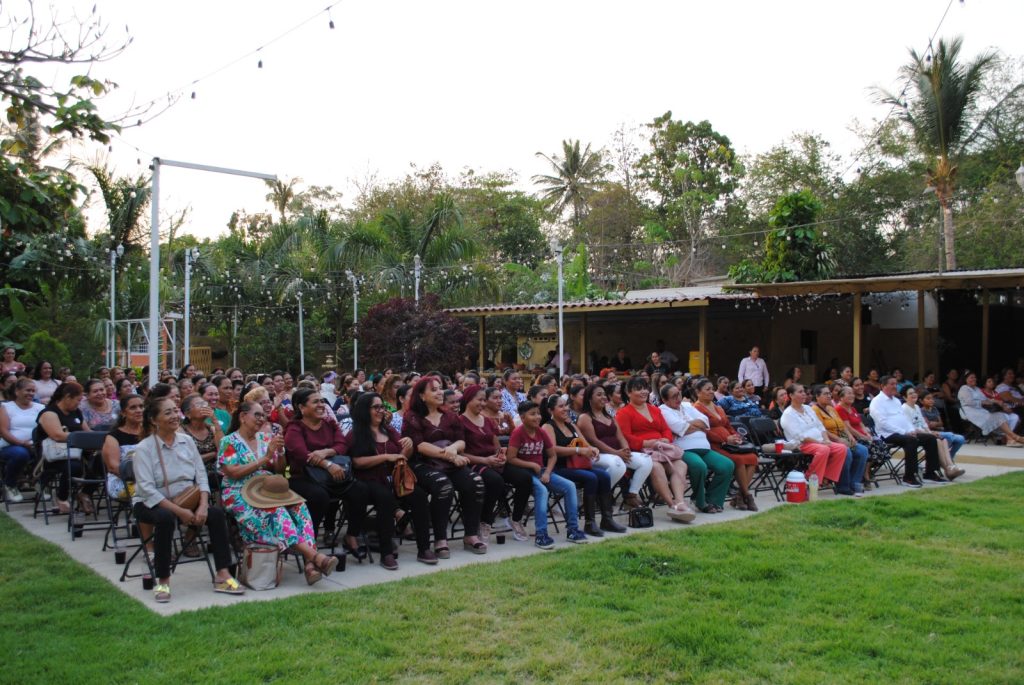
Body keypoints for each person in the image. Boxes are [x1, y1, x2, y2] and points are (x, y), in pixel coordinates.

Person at [132, 396, 244, 603]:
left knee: (216, 514)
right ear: (154, 420)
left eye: (176, 411)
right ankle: (163, 579)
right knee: (165, 518)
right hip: (151, 503)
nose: (175, 416)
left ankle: (222, 574)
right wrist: (180, 512)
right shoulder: (144, 448)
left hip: (187, 499)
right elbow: (147, 489)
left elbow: (201, 475)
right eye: (168, 412)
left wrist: (203, 505)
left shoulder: (186, 441)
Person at [219, 401, 335, 585]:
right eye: (257, 415)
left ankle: (310, 565)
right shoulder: (229, 442)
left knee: (300, 507)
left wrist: (280, 453)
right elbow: (232, 472)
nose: (261, 419)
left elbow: (280, 470)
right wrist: (265, 458)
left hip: (267, 489)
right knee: (277, 512)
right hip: (238, 492)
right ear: (242, 417)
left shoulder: (266, 439)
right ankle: (314, 557)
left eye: (263, 415)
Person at [346, 393, 435, 568]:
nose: (381, 410)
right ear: (364, 410)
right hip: (368, 480)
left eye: (382, 407)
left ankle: (424, 548)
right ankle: (386, 552)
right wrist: (385, 457)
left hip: (394, 478)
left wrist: (408, 446)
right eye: (376, 407)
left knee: (419, 495)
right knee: (385, 498)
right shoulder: (356, 434)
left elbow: (402, 456)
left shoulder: (389, 430)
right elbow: (357, 462)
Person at [402, 375, 487, 557]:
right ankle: (440, 538)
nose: (440, 392)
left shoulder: (450, 416)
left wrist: (453, 451)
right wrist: (451, 456)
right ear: (422, 396)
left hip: (449, 462)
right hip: (422, 464)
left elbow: (461, 442)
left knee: (475, 482)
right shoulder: (412, 417)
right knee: (443, 486)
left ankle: (471, 535)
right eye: (434, 390)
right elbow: (419, 446)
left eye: (440, 388)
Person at [283, 387, 371, 556]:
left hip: (331, 475)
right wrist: (328, 465)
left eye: (322, 401)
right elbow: (301, 454)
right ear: (301, 407)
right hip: (302, 477)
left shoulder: (330, 423)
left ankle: (351, 536)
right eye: (315, 402)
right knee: (319, 497)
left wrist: (325, 452)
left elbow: (342, 445)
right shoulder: (294, 428)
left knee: (360, 490)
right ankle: (310, 542)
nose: (321, 405)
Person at [541, 394, 628, 536]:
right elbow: (553, 450)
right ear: (551, 410)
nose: (566, 409)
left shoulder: (571, 425)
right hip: (559, 467)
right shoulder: (548, 426)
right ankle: (589, 522)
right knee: (591, 478)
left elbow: (585, 444)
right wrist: (578, 450)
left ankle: (607, 519)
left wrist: (593, 449)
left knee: (604, 476)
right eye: (561, 406)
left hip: (577, 465)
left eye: (566, 405)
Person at [506, 401, 588, 548]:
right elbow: (511, 458)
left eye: (538, 413)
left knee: (569, 486)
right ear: (522, 417)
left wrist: (548, 472)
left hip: (542, 471)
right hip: (525, 473)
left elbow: (552, 456)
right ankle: (541, 534)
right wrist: (531, 465)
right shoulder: (518, 433)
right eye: (532, 414)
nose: (537, 417)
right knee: (542, 490)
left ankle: (573, 530)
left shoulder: (541, 432)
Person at [615, 376, 696, 521]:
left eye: (645, 388)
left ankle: (680, 502)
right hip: (642, 452)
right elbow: (625, 437)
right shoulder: (624, 413)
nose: (643, 391)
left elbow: (666, 429)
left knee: (681, 465)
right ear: (628, 393)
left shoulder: (654, 409)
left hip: (663, 449)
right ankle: (672, 505)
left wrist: (666, 439)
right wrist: (646, 443)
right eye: (638, 389)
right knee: (656, 467)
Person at [459, 385, 533, 542]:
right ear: (468, 400)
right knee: (495, 481)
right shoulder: (461, 422)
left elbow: (496, 444)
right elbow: (461, 453)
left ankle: (516, 519)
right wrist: (485, 460)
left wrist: (501, 456)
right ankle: (485, 522)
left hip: (493, 460)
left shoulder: (486, 420)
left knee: (525, 478)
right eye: (479, 400)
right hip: (474, 462)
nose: (482, 403)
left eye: (484, 400)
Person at [659, 384, 734, 514]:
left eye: (679, 394)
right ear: (665, 400)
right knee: (699, 466)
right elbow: (679, 427)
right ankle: (700, 501)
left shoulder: (687, 406)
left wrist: (688, 426)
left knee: (727, 465)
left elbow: (705, 421)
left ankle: (713, 500)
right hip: (684, 449)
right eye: (674, 396)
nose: (678, 398)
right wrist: (696, 426)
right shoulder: (663, 410)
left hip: (704, 447)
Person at [577, 384, 653, 513]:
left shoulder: (609, 416)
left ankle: (631, 495)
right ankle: (599, 496)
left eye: (604, 394)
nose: (603, 397)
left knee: (646, 460)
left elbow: (620, 436)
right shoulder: (585, 417)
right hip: (597, 455)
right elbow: (594, 441)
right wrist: (616, 453)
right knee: (618, 464)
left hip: (617, 453)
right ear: (589, 399)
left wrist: (626, 450)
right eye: (599, 395)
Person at [869, 375, 944, 487]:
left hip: (904, 433)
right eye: (892, 384)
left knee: (930, 438)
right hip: (887, 434)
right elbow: (882, 423)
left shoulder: (896, 401)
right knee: (911, 440)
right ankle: (909, 477)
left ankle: (930, 473)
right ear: (883, 386)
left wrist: (911, 430)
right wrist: (904, 432)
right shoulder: (876, 402)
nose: (895, 386)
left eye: (896, 384)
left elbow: (905, 419)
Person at [36, 381, 92, 514]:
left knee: (101, 461)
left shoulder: (76, 412)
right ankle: (61, 497)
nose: (79, 403)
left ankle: (84, 493)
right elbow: (57, 435)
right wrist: (81, 438)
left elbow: (88, 432)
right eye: (78, 400)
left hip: (77, 452)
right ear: (67, 397)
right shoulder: (49, 413)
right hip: (55, 455)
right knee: (74, 466)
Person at [780, 384, 849, 491]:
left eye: (804, 391)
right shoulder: (788, 414)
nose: (804, 394)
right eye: (800, 392)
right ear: (791, 395)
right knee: (824, 449)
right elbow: (800, 437)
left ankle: (826, 478)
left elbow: (820, 426)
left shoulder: (808, 408)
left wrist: (826, 439)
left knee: (842, 448)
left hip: (820, 442)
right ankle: (809, 478)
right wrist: (821, 443)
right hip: (802, 444)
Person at [811, 385, 867, 496]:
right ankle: (843, 485)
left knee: (862, 450)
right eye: (825, 394)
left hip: (842, 438)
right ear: (817, 396)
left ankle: (854, 483)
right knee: (847, 452)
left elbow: (842, 425)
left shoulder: (831, 408)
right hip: (828, 440)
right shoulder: (814, 410)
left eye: (829, 393)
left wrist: (850, 436)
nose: (829, 396)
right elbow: (821, 429)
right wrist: (838, 439)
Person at [901, 387, 966, 481]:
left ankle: (951, 466)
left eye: (914, 392)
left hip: (924, 433)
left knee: (943, 440)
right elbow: (911, 427)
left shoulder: (916, 407)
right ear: (904, 397)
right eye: (910, 393)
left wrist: (930, 432)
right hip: (914, 435)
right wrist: (929, 433)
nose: (914, 394)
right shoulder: (904, 408)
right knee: (937, 440)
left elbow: (923, 424)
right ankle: (948, 469)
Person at [0, 377, 42, 502]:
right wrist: (21, 443)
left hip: (35, 445)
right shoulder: (6, 407)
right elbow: (3, 431)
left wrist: (36, 443)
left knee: (47, 453)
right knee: (20, 454)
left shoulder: (40, 408)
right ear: (17, 391)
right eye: (28, 390)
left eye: (33, 391)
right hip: (9, 445)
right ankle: (10, 485)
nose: (31, 393)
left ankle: (40, 483)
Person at [957, 371, 1024, 445]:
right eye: (971, 377)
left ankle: (1010, 439)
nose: (974, 379)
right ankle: (1014, 437)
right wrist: (983, 402)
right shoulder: (964, 388)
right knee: (998, 416)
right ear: (965, 380)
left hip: (980, 411)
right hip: (970, 412)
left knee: (1000, 415)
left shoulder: (977, 389)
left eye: (975, 377)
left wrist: (995, 401)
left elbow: (985, 399)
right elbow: (968, 402)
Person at [101, 394, 144, 502]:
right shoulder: (113, 437)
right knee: (153, 492)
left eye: (141, 406)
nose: (139, 410)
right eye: (133, 407)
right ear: (123, 413)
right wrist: (142, 477)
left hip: (150, 479)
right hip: (123, 481)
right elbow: (113, 467)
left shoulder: (150, 432)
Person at [919, 391, 966, 461]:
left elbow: (941, 423)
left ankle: (949, 457)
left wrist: (935, 424)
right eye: (928, 399)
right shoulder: (921, 411)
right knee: (949, 435)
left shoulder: (935, 409)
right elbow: (928, 425)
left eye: (932, 398)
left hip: (940, 431)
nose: (931, 400)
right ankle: (944, 458)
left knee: (961, 439)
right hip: (930, 433)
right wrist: (936, 424)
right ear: (921, 401)